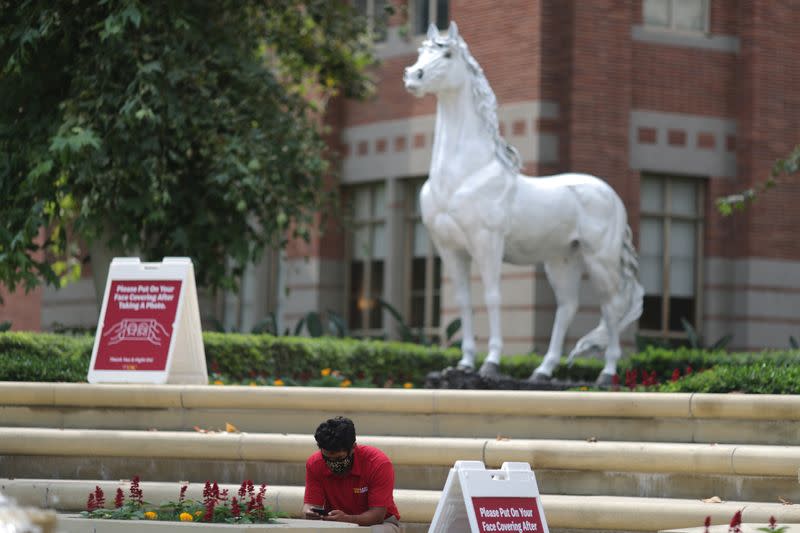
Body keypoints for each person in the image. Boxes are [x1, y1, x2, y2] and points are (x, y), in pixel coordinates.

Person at [303, 416, 401, 531]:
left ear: (353, 447)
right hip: (335, 523)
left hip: (381, 523)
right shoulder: (315, 463)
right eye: (327, 458)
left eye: (339, 458)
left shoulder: (378, 463)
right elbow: (310, 505)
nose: (332, 463)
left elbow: (377, 515)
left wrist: (347, 519)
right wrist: (309, 512)